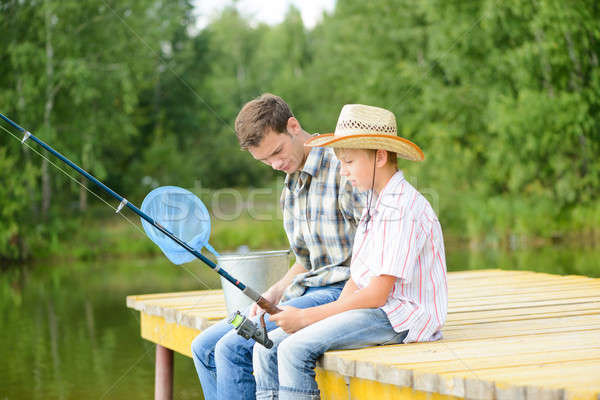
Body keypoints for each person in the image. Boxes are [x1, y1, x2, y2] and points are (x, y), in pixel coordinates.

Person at [252, 104, 448, 400]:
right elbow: (357, 279)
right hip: (372, 310)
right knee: (265, 345)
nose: (343, 171)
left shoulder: (402, 207)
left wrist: (307, 319)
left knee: (293, 349)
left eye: (349, 162)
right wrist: (323, 319)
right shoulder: (373, 203)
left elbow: (378, 294)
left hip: (399, 317)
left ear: (380, 156)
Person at [191, 94, 365, 400]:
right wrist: (272, 293)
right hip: (305, 289)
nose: (275, 164)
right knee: (203, 347)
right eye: (265, 161)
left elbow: (375, 246)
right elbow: (305, 261)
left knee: (233, 349)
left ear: (293, 126)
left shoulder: (344, 167)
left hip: (343, 291)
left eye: (277, 151)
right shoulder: (290, 187)